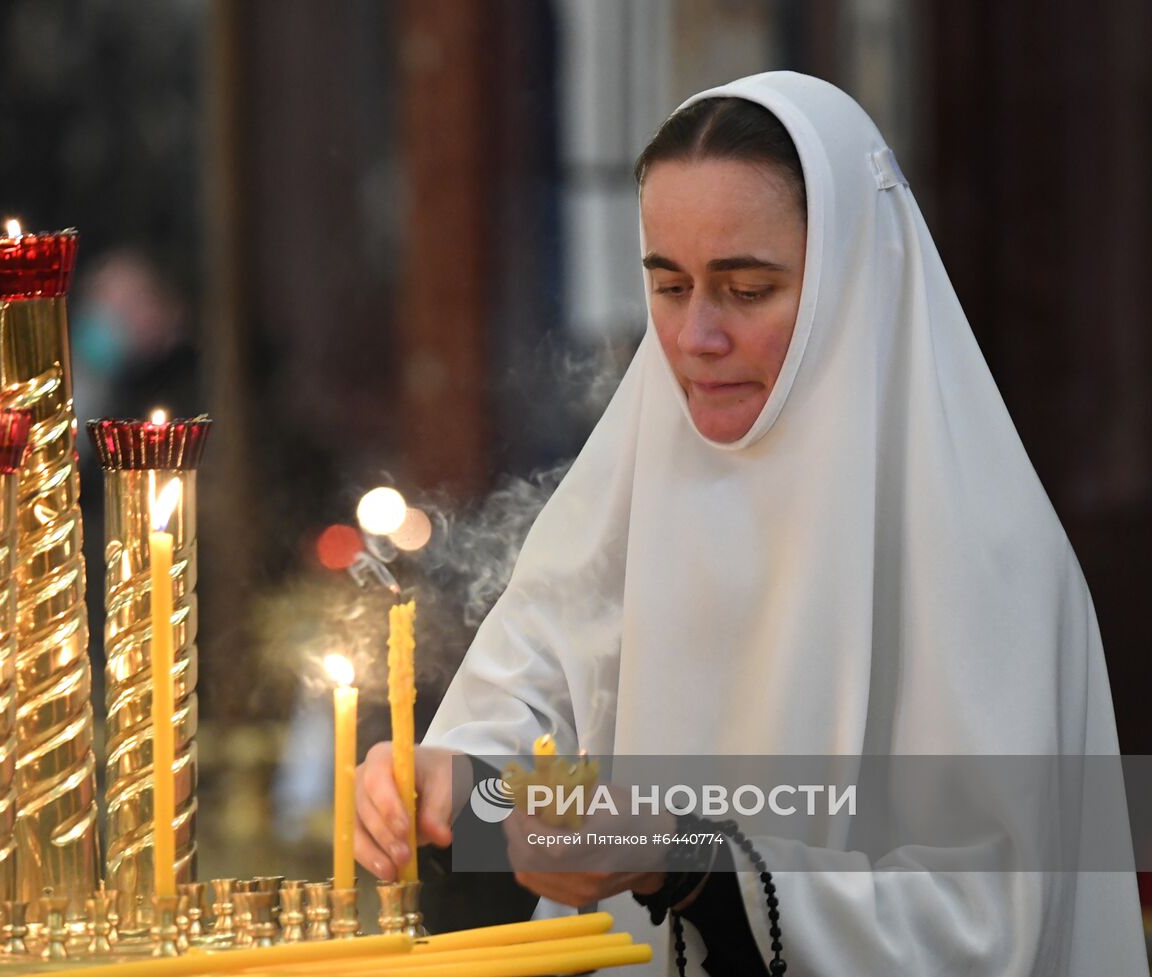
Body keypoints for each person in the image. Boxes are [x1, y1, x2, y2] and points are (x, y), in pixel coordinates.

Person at [353, 72, 1147, 976]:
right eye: (670, 284)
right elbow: (531, 790)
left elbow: (984, 928)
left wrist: (683, 857)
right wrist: (446, 794)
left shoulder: (991, 558)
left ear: (855, 283)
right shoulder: (624, 499)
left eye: (747, 288)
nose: (695, 338)